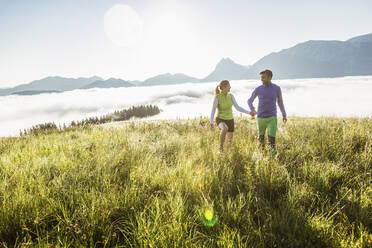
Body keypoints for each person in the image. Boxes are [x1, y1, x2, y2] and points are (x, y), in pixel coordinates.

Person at [247, 69, 287, 156]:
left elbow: (280, 102)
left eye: (264, 77)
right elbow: (249, 101)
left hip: (272, 117)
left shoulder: (277, 88)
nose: (262, 79)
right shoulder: (258, 89)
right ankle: (262, 157)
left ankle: (273, 158)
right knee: (261, 139)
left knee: (271, 140)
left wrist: (284, 114)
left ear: (270, 77)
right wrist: (252, 108)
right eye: (261, 78)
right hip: (260, 118)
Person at [210, 80, 251, 152]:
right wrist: (211, 123)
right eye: (229, 86)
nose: (230, 87)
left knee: (229, 142)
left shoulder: (231, 96)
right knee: (224, 128)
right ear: (224, 87)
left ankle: (227, 153)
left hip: (230, 120)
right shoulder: (217, 98)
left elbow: (238, 108)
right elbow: (213, 111)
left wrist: (249, 112)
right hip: (220, 119)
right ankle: (220, 148)